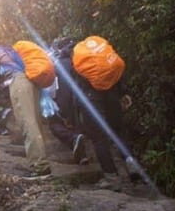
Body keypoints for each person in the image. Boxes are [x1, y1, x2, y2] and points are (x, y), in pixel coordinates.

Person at [51, 36, 132, 191]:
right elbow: (114, 69)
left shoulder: (67, 61)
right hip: (112, 92)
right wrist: (124, 92)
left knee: (99, 138)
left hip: (91, 97)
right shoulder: (93, 50)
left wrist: (68, 115)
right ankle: (132, 165)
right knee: (118, 131)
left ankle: (111, 177)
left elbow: (67, 92)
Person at [0, 44, 52, 177]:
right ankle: (42, 161)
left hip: (19, 83)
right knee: (34, 122)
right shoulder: (4, 50)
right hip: (31, 83)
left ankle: (40, 166)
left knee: (27, 123)